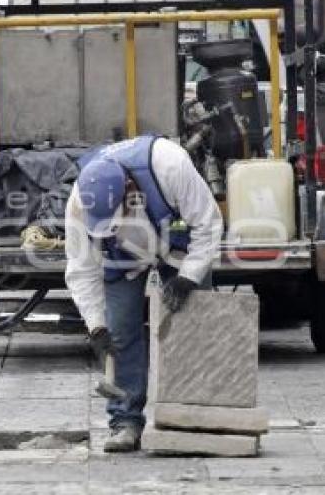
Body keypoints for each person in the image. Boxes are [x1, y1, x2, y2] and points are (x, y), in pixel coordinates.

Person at [64, 135, 223, 452]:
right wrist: (96, 325)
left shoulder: (170, 165)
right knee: (120, 332)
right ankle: (125, 421)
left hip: (176, 243)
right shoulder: (80, 202)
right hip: (122, 257)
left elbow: (208, 223)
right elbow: (82, 269)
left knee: (194, 324)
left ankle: (194, 414)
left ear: (129, 190)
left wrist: (188, 277)